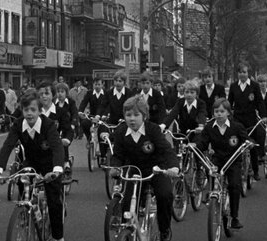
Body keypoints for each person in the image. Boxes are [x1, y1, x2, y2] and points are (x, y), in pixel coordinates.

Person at [0, 92, 65, 241]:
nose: (29, 113)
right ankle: (26, 211)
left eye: (33, 109)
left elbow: (58, 147)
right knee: (21, 179)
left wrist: (57, 169)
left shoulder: (48, 125)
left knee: (53, 201)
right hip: (31, 161)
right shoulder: (18, 125)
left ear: (39, 110)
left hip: (50, 163)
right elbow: (7, 146)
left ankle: (58, 237)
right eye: (26, 110)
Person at [108, 96, 179, 240]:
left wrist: (174, 168)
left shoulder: (153, 130)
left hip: (156, 170)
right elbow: (118, 155)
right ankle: (126, 232)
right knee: (127, 202)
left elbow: (167, 150)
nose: (132, 119)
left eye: (136, 115)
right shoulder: (121, 131)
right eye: (128, 115)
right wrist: (115, 167)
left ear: (144, 116)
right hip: (135, 171)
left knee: (165, 195)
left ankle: (165, 229)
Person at [193, 99, 249, 229]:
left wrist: (249, 143)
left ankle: (234, 217)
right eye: (216, 111)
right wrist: (195, 146)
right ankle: (213, 193)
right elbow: (203, 143)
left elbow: (246, 139)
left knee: (234, 185)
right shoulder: (209, 127)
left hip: (233, 160)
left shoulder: (237, 127)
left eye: (222, 111)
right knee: (211, 170)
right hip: (218, 158)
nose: (219, 114)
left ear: (228, 113)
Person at [227, 62, 266, 180]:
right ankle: (237, 169)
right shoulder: (234, 86)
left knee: (251, 144)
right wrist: (228, 115)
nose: (242, 74)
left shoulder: (254, 85)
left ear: (248, 73)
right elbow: (230, 102)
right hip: (238, 119)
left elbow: (259, 101)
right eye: (240, 72)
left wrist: (263, 116)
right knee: (236, 144)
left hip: (250, 119)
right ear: (237, 73)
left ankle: (255, 171)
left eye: (244, 72)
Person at [78, 78, 107, 143]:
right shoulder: (89, 93)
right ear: (93, 85)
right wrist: (80, 111)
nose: (97, 86)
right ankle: (89, 138)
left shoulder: (106, 93)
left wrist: (105, 115)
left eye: (99, 84)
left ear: (102, 85)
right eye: (95, 84)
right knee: (84, 123)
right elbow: (84, 102)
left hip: (103, 117)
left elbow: (108, 105)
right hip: (92, 116)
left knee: (103, 130)